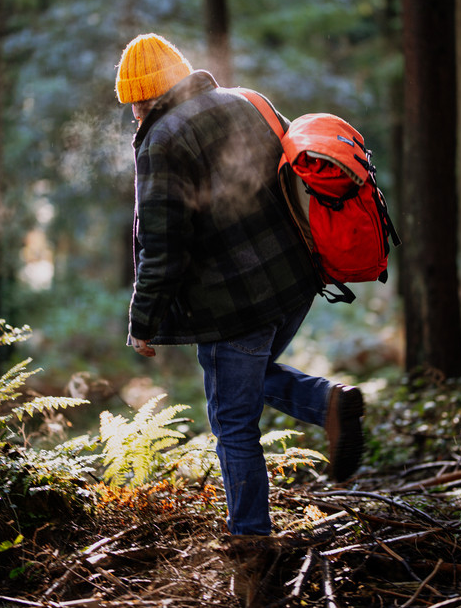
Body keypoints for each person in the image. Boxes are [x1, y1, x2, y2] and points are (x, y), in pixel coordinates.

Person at [115, 33, 364, 536]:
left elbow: (163, 244)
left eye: (132, 106)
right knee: (247, 378)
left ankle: (251, 544)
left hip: (235, 303)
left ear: (143, 99)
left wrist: (143, 321)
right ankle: (326, 403)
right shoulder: (246, 101)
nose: (132, 116)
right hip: (294, 283)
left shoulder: (163, 140)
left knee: (232, 420)